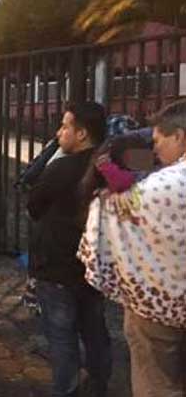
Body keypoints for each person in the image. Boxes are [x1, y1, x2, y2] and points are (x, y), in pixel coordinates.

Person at [78, 100, 186, 397]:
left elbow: (111, 214)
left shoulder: (161, 185)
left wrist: (102, 196)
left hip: (158, 303)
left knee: (157, 382)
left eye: (158, 141)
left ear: (178, 136)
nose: (155, 150)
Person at [27, 102, 111, 397]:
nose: (58, 132)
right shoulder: (112, 167)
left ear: (82, 133)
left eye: (65, 126)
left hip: (59, 263)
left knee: (61, 334)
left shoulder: (62, 167)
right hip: (97, 265)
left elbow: (33, 204)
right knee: (94, 327)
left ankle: (66, 389)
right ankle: (100, 381)